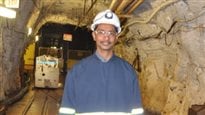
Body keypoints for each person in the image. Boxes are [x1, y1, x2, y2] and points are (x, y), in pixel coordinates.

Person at [59, 9, 143, 115]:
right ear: (94, 35)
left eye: (111, 33)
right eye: (101, 32)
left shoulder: (128, 72)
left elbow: (137, 111)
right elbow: (67, 111)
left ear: (116, 37)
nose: (106, 37)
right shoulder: (77, 72)